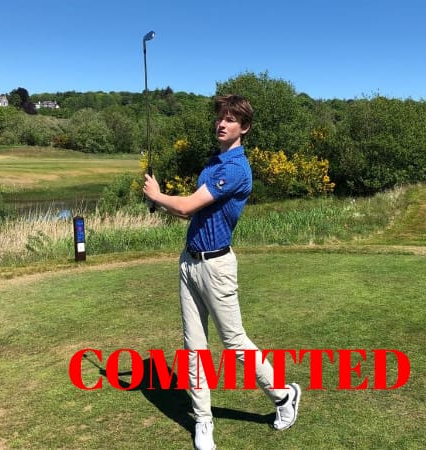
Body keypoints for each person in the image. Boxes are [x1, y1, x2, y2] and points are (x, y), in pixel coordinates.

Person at [143, 94, 300, 450]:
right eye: (219, 118)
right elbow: (188, 212)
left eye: (230, 119)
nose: (221, 123)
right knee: (193, 347)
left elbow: (186, 206)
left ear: (244, 127)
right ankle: (203, 420)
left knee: (234, 343)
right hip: (189, 261)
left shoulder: (236, 169)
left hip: (216, 266)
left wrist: (158, 194)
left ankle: (283, 396)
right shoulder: (212, 164)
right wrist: (161, 202)